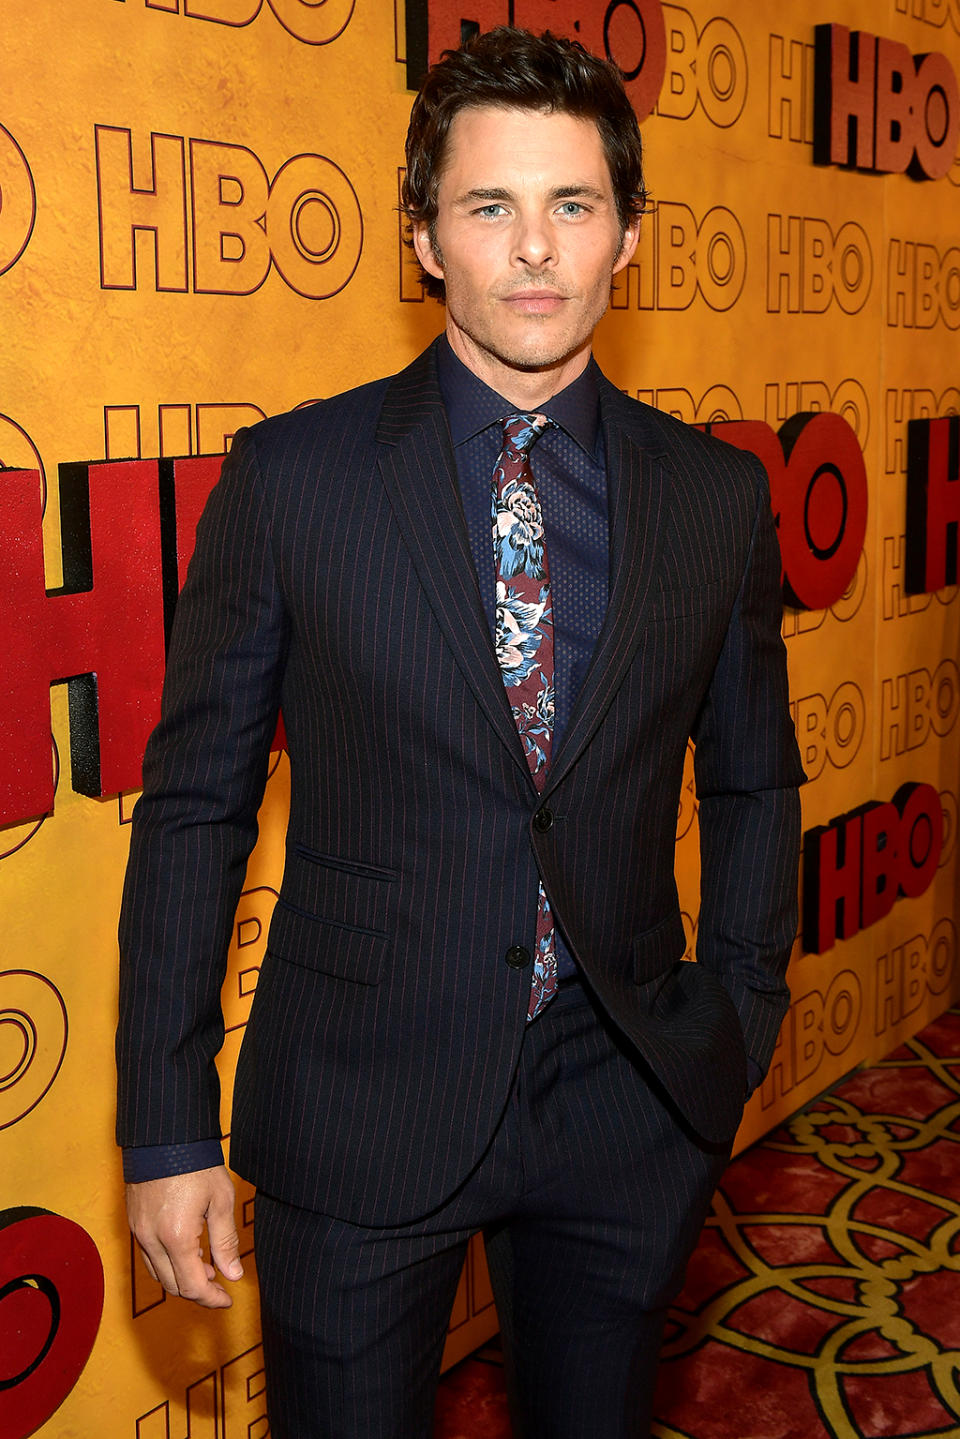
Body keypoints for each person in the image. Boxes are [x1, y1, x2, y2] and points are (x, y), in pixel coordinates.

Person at [117, 26, 803, 1439]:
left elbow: (754, 784)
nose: (536, 250)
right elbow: (194, 805)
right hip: (360, 1107)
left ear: (630, 237)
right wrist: (170, 1128)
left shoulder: (716, 500)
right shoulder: (291, 482)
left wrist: (733, 1029)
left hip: (630, 1102)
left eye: (573, 206)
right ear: (425, 237)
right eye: (491, 207)